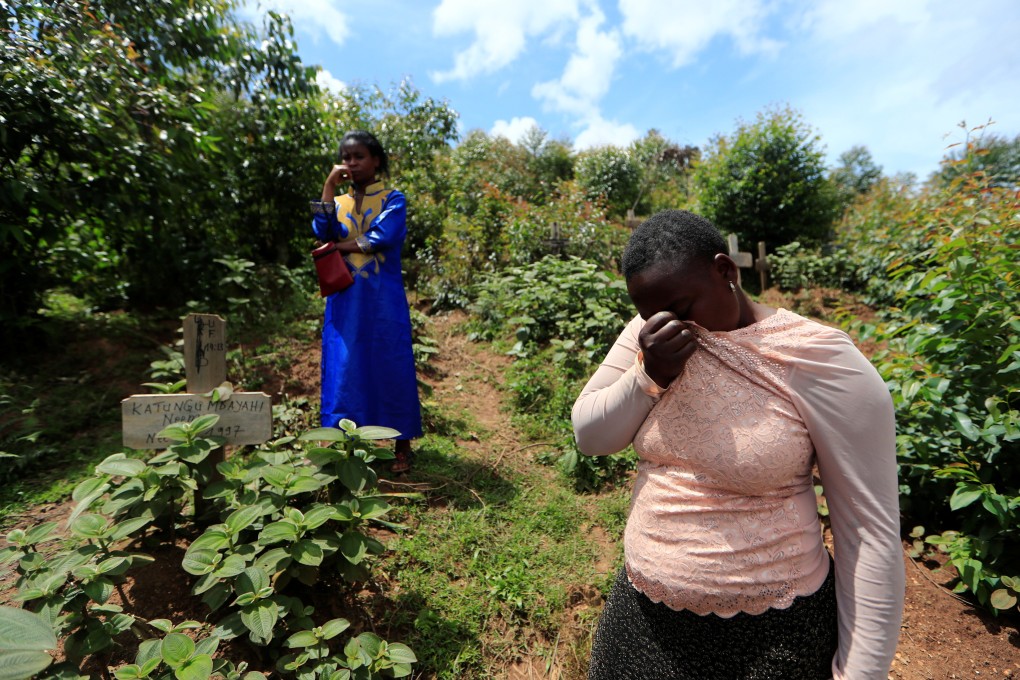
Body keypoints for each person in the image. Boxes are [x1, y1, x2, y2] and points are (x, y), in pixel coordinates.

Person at [572, 210, 903, 679]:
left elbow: (870, 529)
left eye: (683, 307)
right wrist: (650, 374)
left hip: (772, 636)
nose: (672, 325)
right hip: (642, 617)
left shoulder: (816, 359)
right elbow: (590, 437)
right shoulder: (649, 340)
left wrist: (860, 672)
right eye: (652, 314)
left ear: (725, 271)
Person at [310, 130, 422, 473]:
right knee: (345, 365)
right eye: (346, 158)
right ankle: (344, 442)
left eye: (359, 156)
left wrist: (338, 247)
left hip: (383, 301)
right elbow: (320, 230)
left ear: (376, 160)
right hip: (345, 301)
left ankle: (401, 445)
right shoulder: (338, 202)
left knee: (390, 361)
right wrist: (329, 188)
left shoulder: (394, 198)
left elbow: (381, 237)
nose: (352, 163)